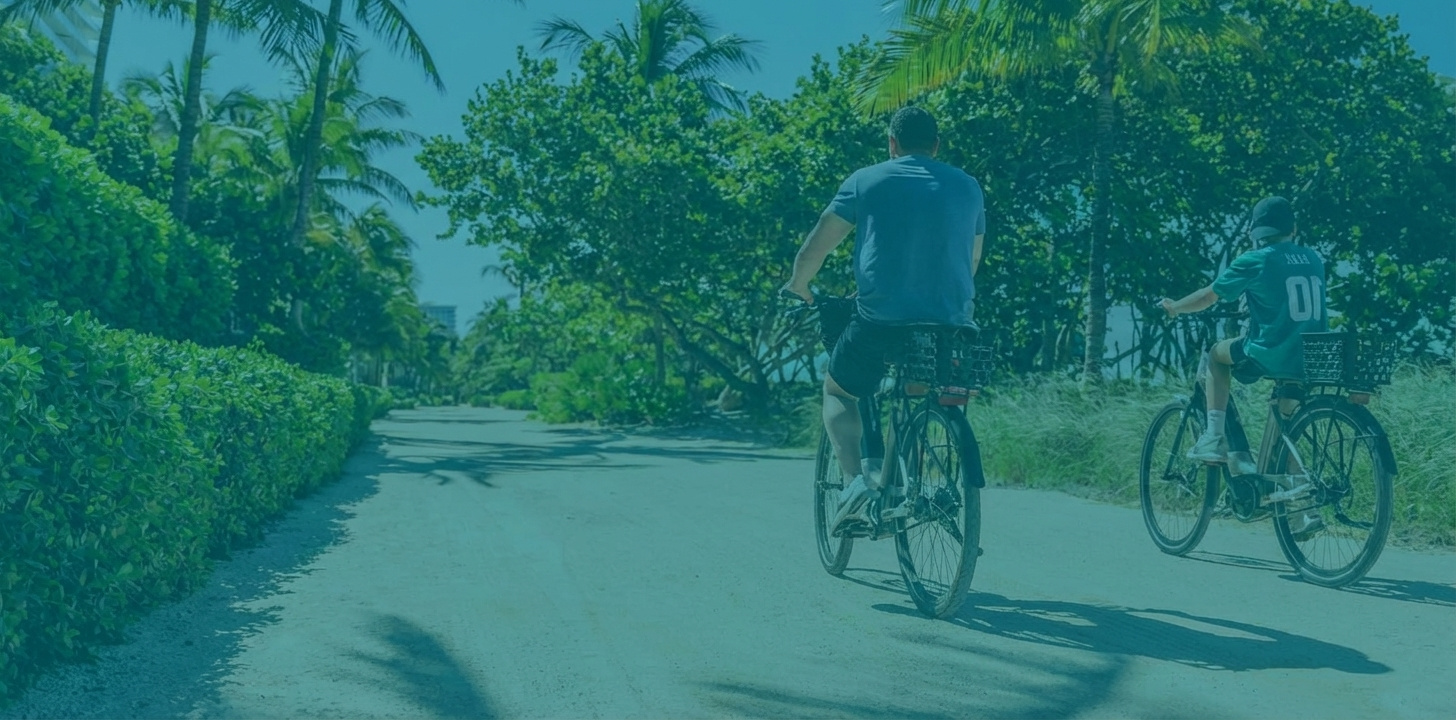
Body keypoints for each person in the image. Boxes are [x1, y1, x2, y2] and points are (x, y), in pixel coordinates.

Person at [781, 106, 985, 534]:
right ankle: (903, 484)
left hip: (881, 319)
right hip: (950, 323)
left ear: (892, 144)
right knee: (916, 389)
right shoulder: (969, 187)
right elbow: (972, 260)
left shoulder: (866, 180)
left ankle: (855, 484)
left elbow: (817, 247)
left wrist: (799, 286)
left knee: (839, 388)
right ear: (936, 145)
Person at [1161, 195, 1328, 538]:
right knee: (1286, 429)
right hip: (1310, 356)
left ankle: (1213, 436)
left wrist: (1175, 307)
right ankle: (1302, 511)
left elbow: (1207, 296)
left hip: (1270, 352)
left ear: (1255, 231)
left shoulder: (1256, 259)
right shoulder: (1313, 258)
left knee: (1215, 354)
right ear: (1293, 228)